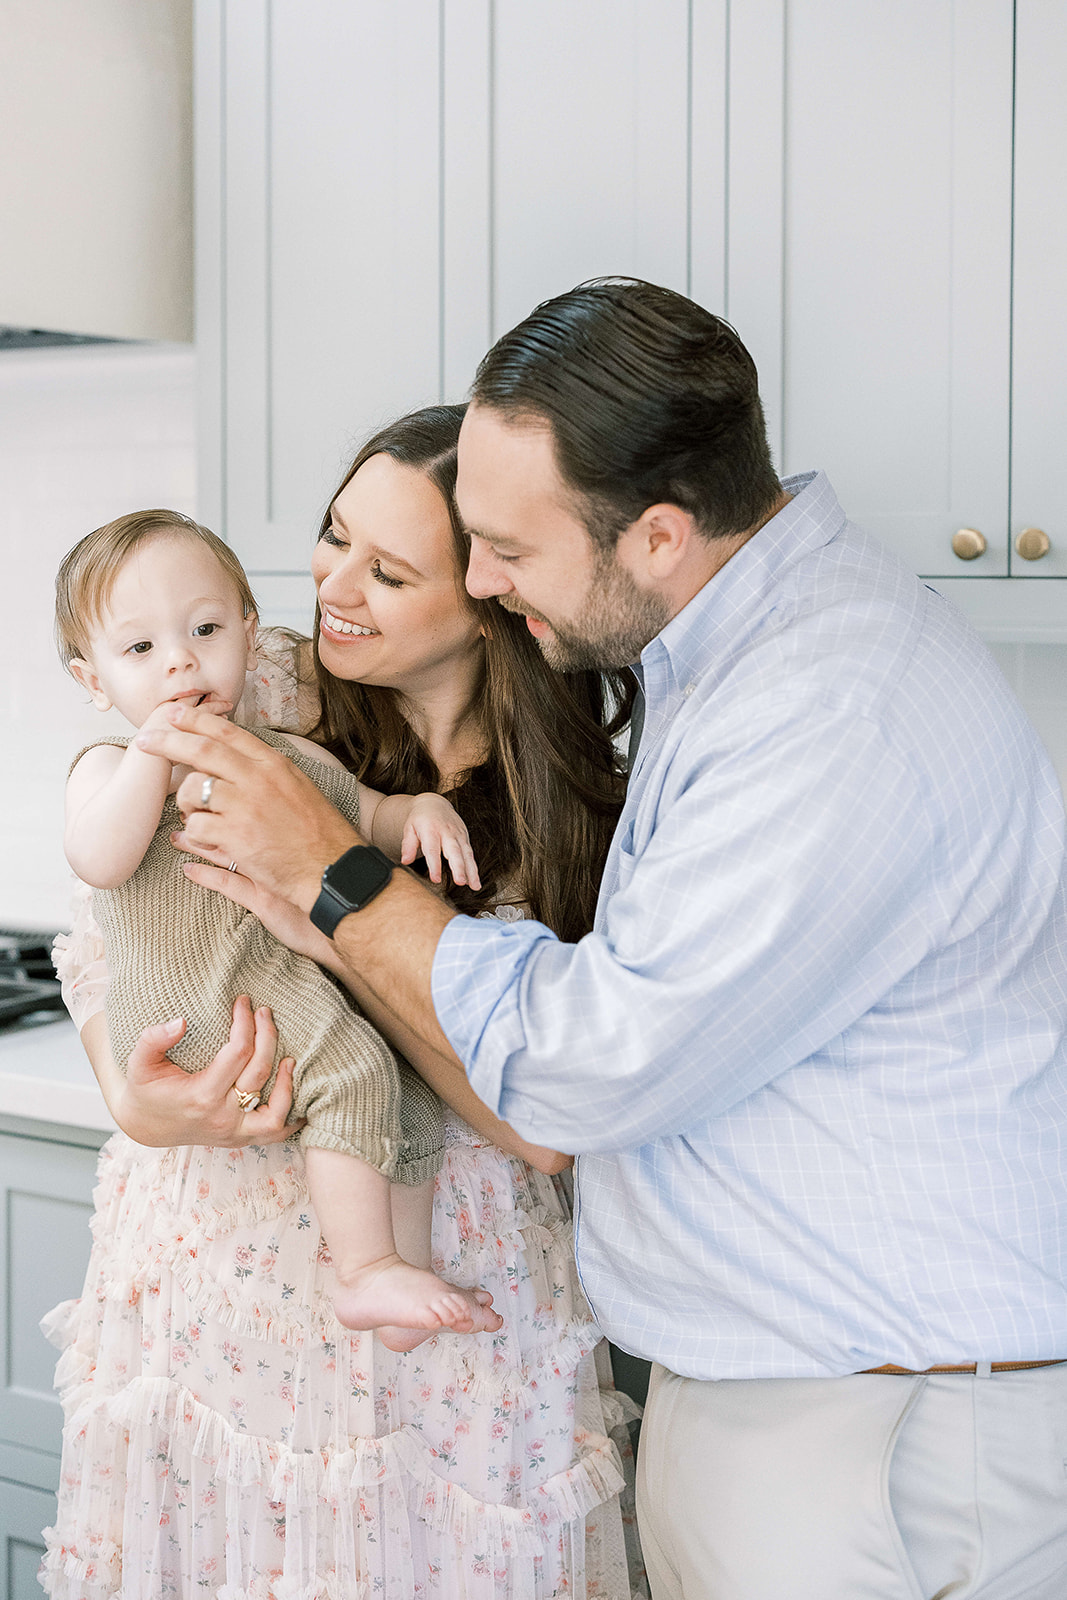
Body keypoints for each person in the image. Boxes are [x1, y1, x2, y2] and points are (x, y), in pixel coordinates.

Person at [141, 280, 1067, 1600]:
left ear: (657, 536)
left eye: (505, 551)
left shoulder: (829, 706)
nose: (478, 580)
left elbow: (588, 1069)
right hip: (820, 1406)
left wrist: (333, 882)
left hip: (872, 1436)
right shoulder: (737, 655)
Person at [43, 406, 641, 1599]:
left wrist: (329, 908)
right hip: (217, 1262)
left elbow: (546, 1131)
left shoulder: (565, 806)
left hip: (447, 1279)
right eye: (332, 537)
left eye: (388, 566)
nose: (332, 584)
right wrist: (136, 1095)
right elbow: (112, 920)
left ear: (484, 591)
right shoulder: (247, 679)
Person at [56, 508, 500, 1343]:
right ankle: (365, 1272)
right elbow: (99, 858)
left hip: (271, 987)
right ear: (93, 682)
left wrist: (424, 810)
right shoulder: (111, 769)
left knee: (402, 1100)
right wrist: (157, 755)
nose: (182, 659)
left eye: (206, 628)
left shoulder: (293, 757)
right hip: (200, 1010)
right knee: (356, 1071)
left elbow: (368, 818)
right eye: (140, 649)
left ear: (248, 631)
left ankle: (396, 1275)